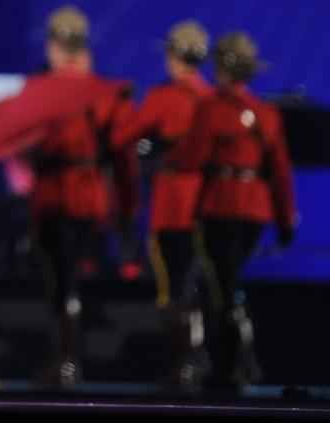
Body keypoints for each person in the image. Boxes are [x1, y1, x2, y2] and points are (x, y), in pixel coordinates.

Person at [173, 32, 297, 389]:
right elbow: (280, 170)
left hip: (220, 206)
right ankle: (238, 362)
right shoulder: (266, 113)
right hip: (255, 209)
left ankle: (235, 364)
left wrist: (169, 158)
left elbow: (193, 156)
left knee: (221, 287)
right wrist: (285, 218)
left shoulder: (211, 108)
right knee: (230, 283)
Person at [28, 6, 137, 387]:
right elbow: (121, 149)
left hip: (55, 194)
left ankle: (67, 361)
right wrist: (126, 204)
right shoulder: (104, 93)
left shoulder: (41, 90)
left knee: (59, 277)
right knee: (71, 275)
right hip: (89, 195)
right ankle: (69, 359)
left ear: (56, 46)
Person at [111, 20, 213, 389]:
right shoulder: (212, 99)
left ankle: (183, 364)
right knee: (200, 285)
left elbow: (123, 135)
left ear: (172, 56)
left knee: (173, 287)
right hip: (209, 204)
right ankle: (200, 361)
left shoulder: (163, 97)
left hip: (173, 205)